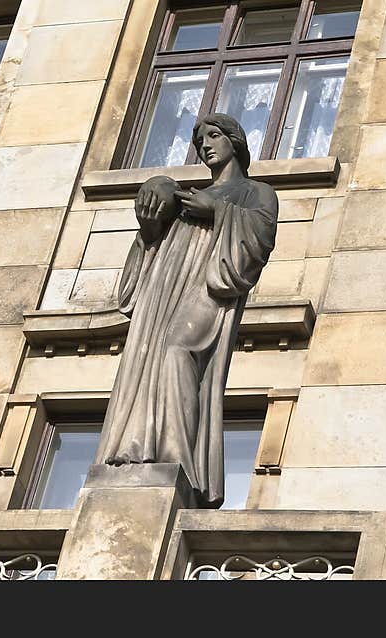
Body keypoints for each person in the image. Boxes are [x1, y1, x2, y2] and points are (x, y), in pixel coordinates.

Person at [94, 113, 278, 507]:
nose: (206, 145)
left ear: (235, 141)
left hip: (208, 284)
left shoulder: (254, 193)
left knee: (179, 351)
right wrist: (150, 222)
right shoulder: (188, 196)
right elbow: (152, 248)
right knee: (150, 359)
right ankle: (140, 448)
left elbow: (258, 242)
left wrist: (217, 211)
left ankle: (178, 457)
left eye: (214, 136)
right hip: (166, 288)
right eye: (200, 141)